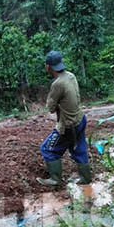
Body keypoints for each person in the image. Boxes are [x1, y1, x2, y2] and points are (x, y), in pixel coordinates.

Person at [37, 51, 92, 186]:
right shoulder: (71, 76)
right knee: (79, 149)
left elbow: (50, 107)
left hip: (68, 126)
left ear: (48, 67)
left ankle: (55, 180)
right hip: (80, 119)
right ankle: (86, 178)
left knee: (47, 149)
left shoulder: (57, 84)